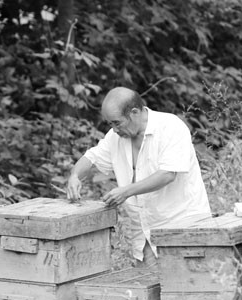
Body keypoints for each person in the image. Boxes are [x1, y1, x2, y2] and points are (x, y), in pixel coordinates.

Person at [66, 87, 212, 267]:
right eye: (110, 124)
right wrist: (74, 176)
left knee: (188, 284)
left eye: (117, 123)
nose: (114, 129)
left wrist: (125, 192)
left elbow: (168, 174)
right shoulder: (115, 137)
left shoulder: (170, 127)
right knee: (148, 284)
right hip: (145, 235)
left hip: (184, 228)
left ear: (134, 113)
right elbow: (92, 157)